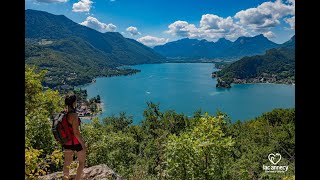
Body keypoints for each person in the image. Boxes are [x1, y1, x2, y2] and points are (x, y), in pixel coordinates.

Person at [63, 94, 86, 180]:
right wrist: (83, 144)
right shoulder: (74, 116)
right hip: (76, 142)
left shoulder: (64, 113)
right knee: (81, 162)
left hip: (66, 141)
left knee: (67, 164)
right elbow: (76, 132)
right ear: (73, 103)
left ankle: (66, 179)